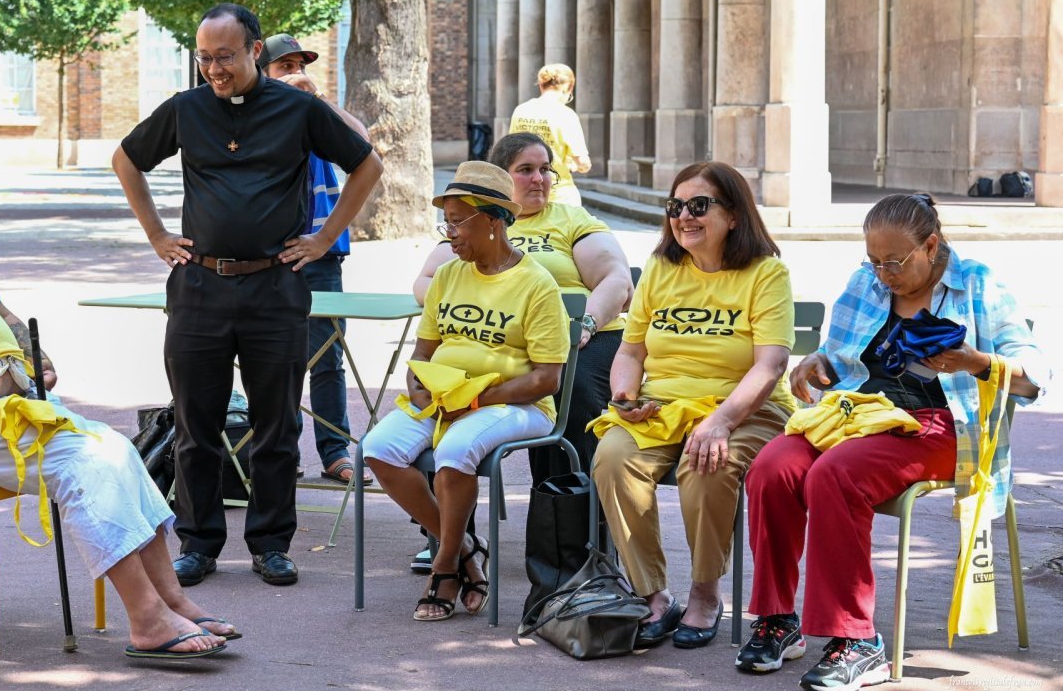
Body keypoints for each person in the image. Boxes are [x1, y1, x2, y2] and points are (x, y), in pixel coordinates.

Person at [0, 141, 235, 660]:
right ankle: (148, 622)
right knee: (83, 461)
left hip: (12, 401)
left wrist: (34, 354)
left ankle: (173, 599)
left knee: (119, 451)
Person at [112, 3, 383, 589]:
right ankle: (199, 543)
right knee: (195, 425)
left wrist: (325, 238)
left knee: (276, 424)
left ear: (255, 51)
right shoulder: (185, 110)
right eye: (204, 58)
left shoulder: (299, 108)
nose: (214, 69)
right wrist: (157, 234)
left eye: (225, 57)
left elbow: (367, 164)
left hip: (275, 288)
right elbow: (126, 160)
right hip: (199, 288)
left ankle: (270, 544)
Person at [737, 193, 1047, 691]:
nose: (883, 273)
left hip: (942, 425)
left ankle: (857, 642)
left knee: (835, 475)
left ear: (931, 244)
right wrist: (816, 365)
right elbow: (838, 356)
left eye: (894, 262)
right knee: (773, 466)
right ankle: (778, 619)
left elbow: (1037, 375)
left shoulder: (979, 285)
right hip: (858, 415)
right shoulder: (867, 282)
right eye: (874, 261)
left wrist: (978, 363)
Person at [591, 160, 795, 651]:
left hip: (744, 407)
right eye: (676, 206)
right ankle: (654, 596)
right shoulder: (661, 269)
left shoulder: (766, 274)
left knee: (705, 464)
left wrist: (721, 422)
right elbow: (631, 351)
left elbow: (770, 366)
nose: (684, 216)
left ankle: (705, 592)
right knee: (612, 458)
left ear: (734, 215)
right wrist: (625, 397)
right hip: (664, 404)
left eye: (699, 205)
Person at [363, 161, 569, 621]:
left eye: (458, 221)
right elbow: (422, 353)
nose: (449, 233)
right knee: (376, 447)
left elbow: (546, 379)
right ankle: (467, 551)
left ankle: (444, 566)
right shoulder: (450, 276)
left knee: (455, 450)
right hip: (447, 400)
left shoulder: (536, 284)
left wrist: (475, 401)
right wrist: (418, 389)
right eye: (447, 222)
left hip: (518, 403)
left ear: (494, 220)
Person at [413, 133, 633, 481]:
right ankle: (447, 526)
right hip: (499, 335)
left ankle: (563, 520)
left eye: (546, 169)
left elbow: (617, 280)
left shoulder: (572, 220)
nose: (539, 179)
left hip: (581, 338)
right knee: (444, 384)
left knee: (569, 391)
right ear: (500, 179)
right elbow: (426, 281)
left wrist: (586, 324)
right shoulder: (474, 222)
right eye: (526, 169)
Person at [259, 32, 372, 488]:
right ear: (262, 72)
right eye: (283, 67)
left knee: (328, 357)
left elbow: (362, 146)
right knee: (269, 357)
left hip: (320, 253)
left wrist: (320, 100)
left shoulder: (315, 112)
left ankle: (334, 452)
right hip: (267, 257)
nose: (294, 73)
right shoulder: (254, 116)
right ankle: (277, 451)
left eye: (299, 65)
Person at [508, 64, 591, 207]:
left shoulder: (521, 110)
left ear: (541, 85)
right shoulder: (566, 114)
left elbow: (510, 151)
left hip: (523, 192)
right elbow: (582, 161)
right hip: (558, 194)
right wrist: (580, 166)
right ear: (569, 87)